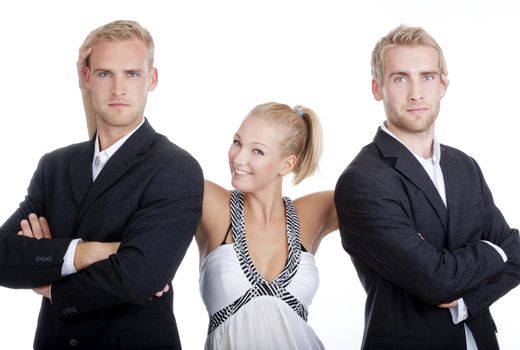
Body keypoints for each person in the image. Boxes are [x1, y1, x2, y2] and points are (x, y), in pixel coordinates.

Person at [80, 69, 338, 348]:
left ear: (287, 164)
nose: (238, 157)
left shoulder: (311, 213)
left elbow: (379, 193)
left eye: (257, 151)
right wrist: (88, 89)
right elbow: (123, 165)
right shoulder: (213, 204)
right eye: (237, 142)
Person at [0, 20, 203, 349]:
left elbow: (138, 278)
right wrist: (84, 253)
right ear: (87, 78)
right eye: (106, 73)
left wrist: (51, 284)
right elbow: (2, 255)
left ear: (151, 79)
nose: (118, 89)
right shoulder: (55, 166)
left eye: (132, 74)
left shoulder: (175, 167)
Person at [334, 24, 520, 350]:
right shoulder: (363, 180)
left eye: (428, 77)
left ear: (443, 84)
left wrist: (466, 302)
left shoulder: (465, 167)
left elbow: (518, 254)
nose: (416, 93)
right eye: (401, 78)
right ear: (378, 88)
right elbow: (437, 280)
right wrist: (495, 250)